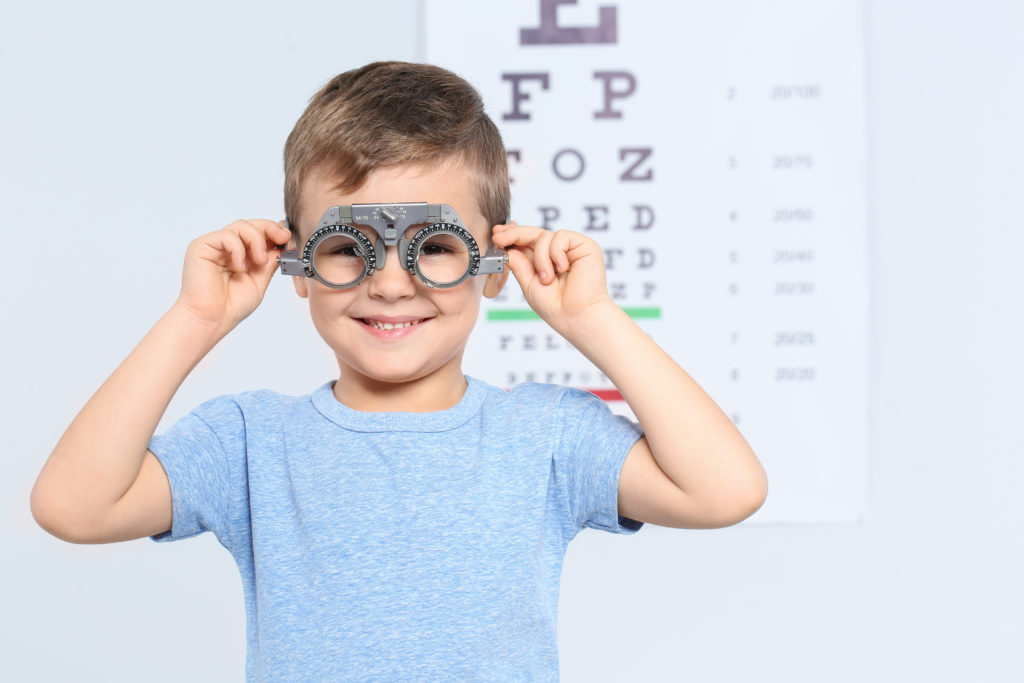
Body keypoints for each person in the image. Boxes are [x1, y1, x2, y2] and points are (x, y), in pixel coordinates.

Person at [30, 61, 767, 681]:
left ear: (493, 263)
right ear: (297, 264)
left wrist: (590, 318)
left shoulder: (540, 436)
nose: (389, 283)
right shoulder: (252, 442)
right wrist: (195, 320)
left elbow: (724, 489)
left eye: (434, 247)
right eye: (348, 246)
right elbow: (74, 506)